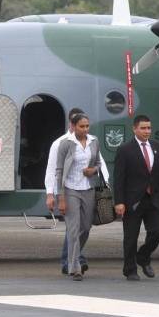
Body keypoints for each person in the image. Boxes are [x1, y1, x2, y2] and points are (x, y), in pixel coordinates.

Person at [45, 108, 103, 275]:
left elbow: (98, 162)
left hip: (88, 188)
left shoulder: (94, 141)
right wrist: (58, 196)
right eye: (82, 126)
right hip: (70, 189)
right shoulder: (64, 143)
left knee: (85, 227)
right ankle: (74, 267)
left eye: (87, 126)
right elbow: (58, 170)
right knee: (73, 229)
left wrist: (93, 170)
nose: (85, 129)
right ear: (73, 126)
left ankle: (75, 257)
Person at [114, 115, 159, 281]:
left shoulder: (157, 147)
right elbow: (119, 178)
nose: (147, 131)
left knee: (157, 230)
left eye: (149, 128)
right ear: (134, 129)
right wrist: (119, 201)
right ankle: (130, 269)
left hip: (154, 198)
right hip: (133, 200)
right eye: (143, 128)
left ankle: (143, 256)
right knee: (131, 237)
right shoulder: (125, 149)